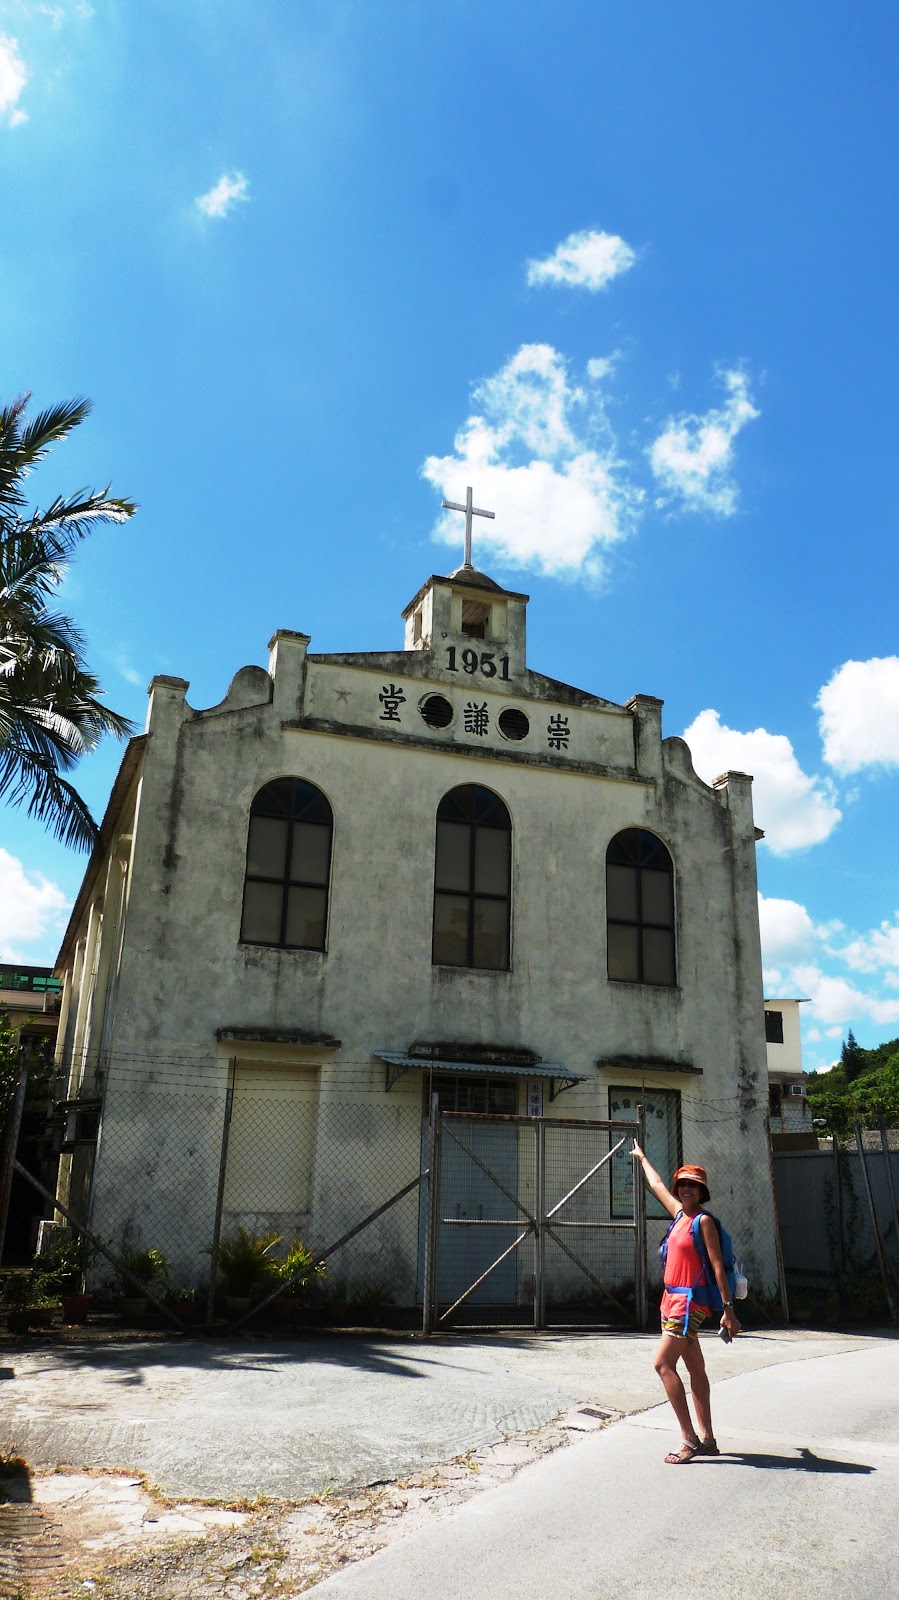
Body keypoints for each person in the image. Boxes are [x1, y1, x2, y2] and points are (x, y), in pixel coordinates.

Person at [631, 1142, 741, 1464]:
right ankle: (708, 1439)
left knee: (662, 1364)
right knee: (695, 1367)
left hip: (689, 1303)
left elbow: (718, 1266)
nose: (686, 1189)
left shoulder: (703, 1221)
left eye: (693, 1185)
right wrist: (642, 1157)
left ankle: (689, 1439)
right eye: (682, 1184)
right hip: (671, 1300)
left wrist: (728, 1311)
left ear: (702, 1191)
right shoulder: (679, 1214)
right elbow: (656, 1185)